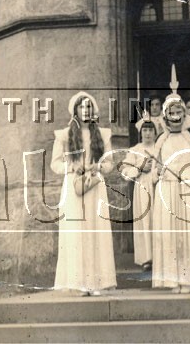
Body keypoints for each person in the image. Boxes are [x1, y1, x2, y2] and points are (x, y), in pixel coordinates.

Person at [50, 91, 116, 295]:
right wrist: (72, 166)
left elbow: (110, 162)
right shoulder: (64, 135)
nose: (86, 111)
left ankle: (96, 283)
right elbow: (55, 163)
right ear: (75, 111)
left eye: (89, 107)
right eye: (82, 107)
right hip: (74, 186)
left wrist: (99, 167)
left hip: (95, 185)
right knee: (77, 232)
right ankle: (79, 283)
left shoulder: (102, 134)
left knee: (95, 231)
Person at [151, 94, 190, 294]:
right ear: (166, 115)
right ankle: (172, 279)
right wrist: (157, 173)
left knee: (188, 233)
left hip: (187, 189)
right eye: (172, 112)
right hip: (168, 189)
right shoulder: (161, 139)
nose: (175, 116)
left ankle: (187, 278)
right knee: (169, 233)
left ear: (184, 114)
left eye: (179, 111)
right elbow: (153, 166)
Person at [120, 120, 158, 271]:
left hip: (157, 186)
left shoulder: (159, 147)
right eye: (145, 130)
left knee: (158, 220)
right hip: (142, 187)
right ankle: (146, 258)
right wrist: (140, 168)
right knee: (144, 221)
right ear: (140, 133)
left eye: (150, 130)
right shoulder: (135, 150)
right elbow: (125, 172)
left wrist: (155, 170)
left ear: (155, 132)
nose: (147, 133)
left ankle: (161, 256)